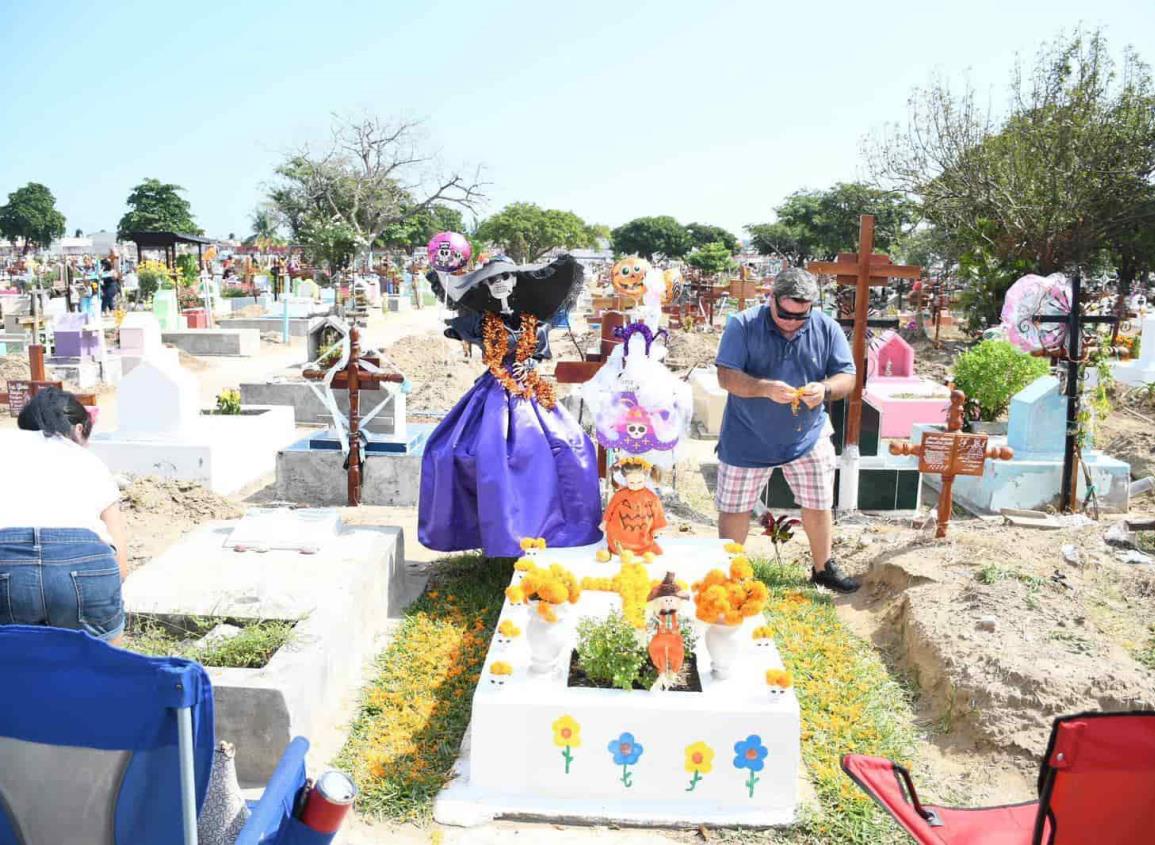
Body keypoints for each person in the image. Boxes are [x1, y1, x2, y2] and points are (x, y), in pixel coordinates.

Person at [713, 267, 860, 593]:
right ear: (771, 300)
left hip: (808, 435)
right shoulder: (743, 325)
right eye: (785, 314)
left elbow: (846, 376)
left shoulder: (826, 327)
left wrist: (825, 390)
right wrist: (764, 388)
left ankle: (823, 568)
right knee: (735, 508)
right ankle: (729, 571)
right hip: (747, 435)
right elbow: (726, 376)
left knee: (820, 502)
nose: (792, 322)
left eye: (801, 316)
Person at [0, 388, 127, 641]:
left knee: (12, 670)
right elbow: (122, 564)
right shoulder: (90, 462)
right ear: (79, 429)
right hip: (86, 561)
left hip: (5, 559)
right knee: (104, 667)